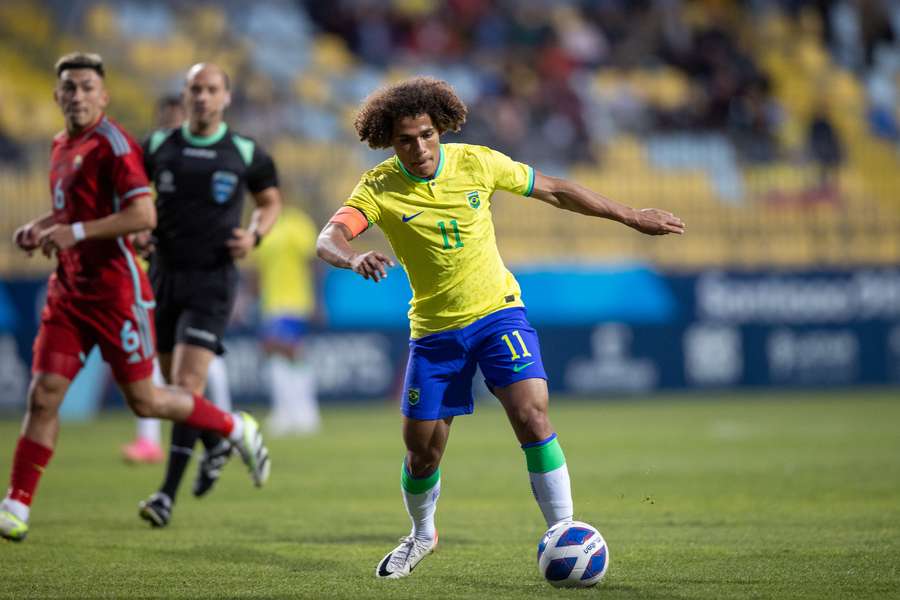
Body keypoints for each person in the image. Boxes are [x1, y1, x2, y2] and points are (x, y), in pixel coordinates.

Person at [316, 77, 685, 579]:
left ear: (439, 128)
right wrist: (353, 257)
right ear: (389, 140)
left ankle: (565, 531)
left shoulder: (477, 162)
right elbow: (328, 238)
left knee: (532, 415)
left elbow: (555, 190)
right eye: (406, 139)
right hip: (435, 332)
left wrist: (629, 215)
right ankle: (422, 534)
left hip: (498, 313)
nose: (420, 147)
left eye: (427, 134)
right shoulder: (378, 188)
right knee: (421, 453)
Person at [0, 53, 270, 543]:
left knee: (147, 401)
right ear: (57, 95)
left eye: (86, 87)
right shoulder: (63, 144)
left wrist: (75, 232)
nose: (77, 96)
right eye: (69, 88)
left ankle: (232, 428)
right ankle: (16, 503)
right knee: (42, 396)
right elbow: (82, 210)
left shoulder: (118, 145)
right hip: (69, 291)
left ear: (103, 96)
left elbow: (142, 214)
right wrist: (41, 226)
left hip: (119, 293)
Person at [137, 63, 282, 527]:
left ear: (226, 97)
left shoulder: (244, 151)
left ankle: (165, 496)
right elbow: (134, 200)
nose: (202, 97)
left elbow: (270, 201)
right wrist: (139, 230)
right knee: (169, 390)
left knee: (184, 387)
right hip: (160, 276)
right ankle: (218, 440)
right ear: (184, 95)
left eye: (211, 89)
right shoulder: (158, 145)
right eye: (194, 89)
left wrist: (254, 236)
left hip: (213, 280)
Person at [122, 95, 233, 465]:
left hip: (203, 280)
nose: (171, 131)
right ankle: (218, 431)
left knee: (194, 371)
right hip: (159, 276)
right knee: (163, 369)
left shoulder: (211, 165)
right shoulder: (154, 164)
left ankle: (224, 427)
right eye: (165, 123)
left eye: (176, 122)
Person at [253, 206, 320, 436]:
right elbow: (257, 268)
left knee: (288, 350)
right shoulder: (261, 226)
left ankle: (304, 411)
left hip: (295, 300)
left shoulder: (298, 223)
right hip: (270, 302)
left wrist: (317, 299)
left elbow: (313, 263)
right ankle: (287, 411)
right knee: (276, 352)